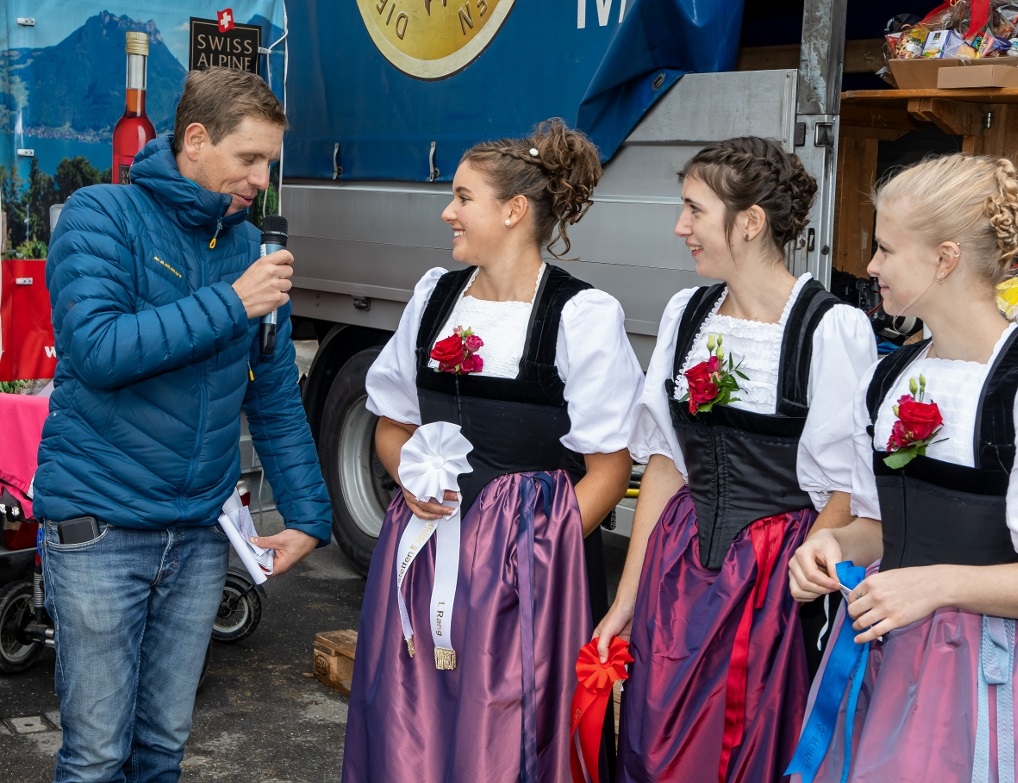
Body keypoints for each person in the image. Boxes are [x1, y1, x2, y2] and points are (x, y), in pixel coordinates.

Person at [787, 154, 1018, 782]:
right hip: (889, 656)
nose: (870, 266)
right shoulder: (889, 378)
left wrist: (936, 585)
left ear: (945, 258)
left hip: (997, 675)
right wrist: (832, 541)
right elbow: (884, 528)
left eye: (884, 249)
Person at [36, 67, 332, 782]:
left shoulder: (251, 251)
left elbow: (271, 394)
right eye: (249, 158)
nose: (261, 178)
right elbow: (99, 350)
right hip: (100, 529)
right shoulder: (99, 215)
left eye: (269, 162)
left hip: (200, 534)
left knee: (163, 751)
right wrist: (234, 302)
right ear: (195, 140)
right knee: (97, 756)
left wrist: (308, 512)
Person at [343, 118, 643, 783]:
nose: (447, 211)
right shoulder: (435, 297)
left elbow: (610, 469)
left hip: (527, 580)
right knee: (415, 729)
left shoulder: (580, 314)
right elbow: (391, 426)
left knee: (508, 736)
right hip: (424, 561)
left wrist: (530, 555)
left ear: (513, 210)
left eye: (462, 196)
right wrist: (409, 480)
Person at [594, 137, 877, 783]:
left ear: (749, 222)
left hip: (774, 586)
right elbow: (665, 465)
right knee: (652, 739)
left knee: (752, 747)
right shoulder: (687, 313)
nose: (680, 226)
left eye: (694, 210)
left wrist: (792, 591)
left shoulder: (829, 328)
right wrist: (625, 602)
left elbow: (843, 489)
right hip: (678, 571)